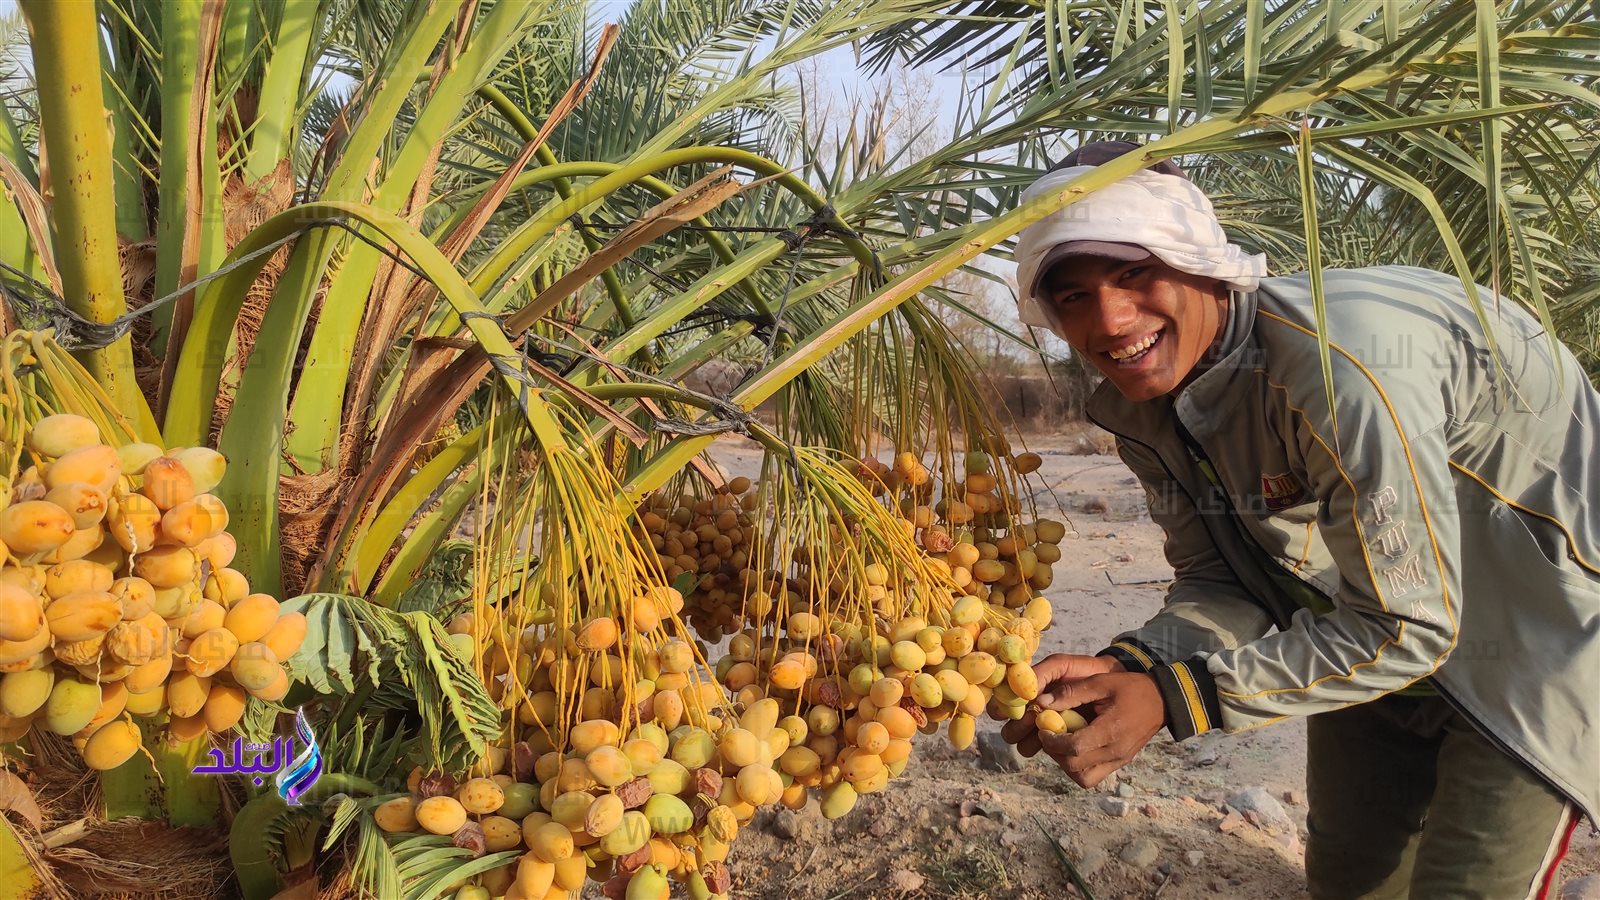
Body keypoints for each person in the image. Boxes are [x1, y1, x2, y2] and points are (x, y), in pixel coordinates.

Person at [1000, 140, 1599, 900]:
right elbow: (1222, 575)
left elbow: (1409, 627)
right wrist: (1134, 665)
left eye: (1133, 273)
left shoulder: (1335, 365)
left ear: (1195, 258)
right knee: (1349, 885)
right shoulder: (1142, 408)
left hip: (1533, 644)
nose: (1112, 321)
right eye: (1074, 296)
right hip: (1372, 627)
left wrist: (1183, 697)